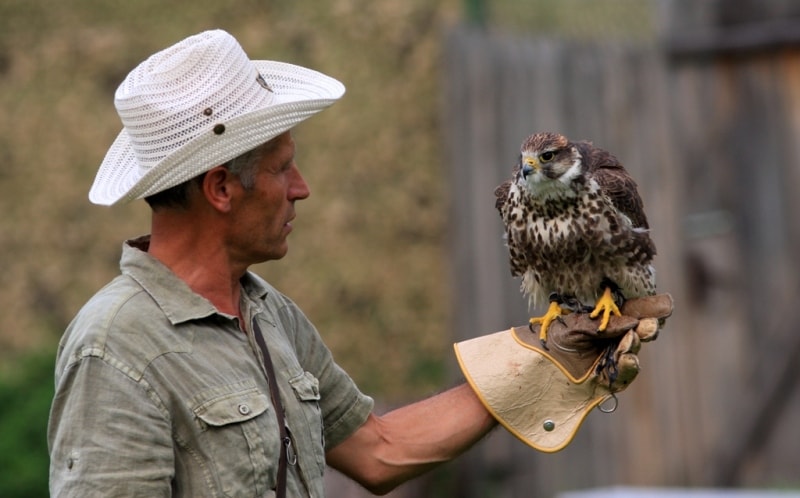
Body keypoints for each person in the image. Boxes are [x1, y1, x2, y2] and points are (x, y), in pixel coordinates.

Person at [47, 30, 672, 497]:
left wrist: (545, 360)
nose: (302, 187)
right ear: (220, 188)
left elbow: (380, 450)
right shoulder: (116, 349)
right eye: (282, 167)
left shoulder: (267, 315)